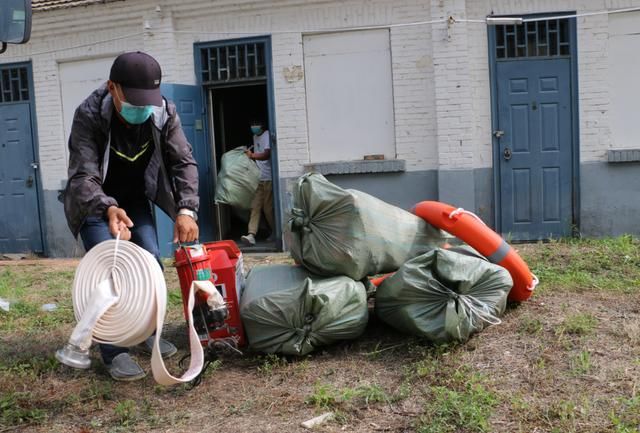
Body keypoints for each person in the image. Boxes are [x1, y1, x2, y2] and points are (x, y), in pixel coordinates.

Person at [63, 51, 200, 381]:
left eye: (148, 100)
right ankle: (113, 350)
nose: (143, 108)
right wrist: (108, 207)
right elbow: (83, 176)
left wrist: (186, 210)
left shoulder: (163, 112)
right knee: (111, 272)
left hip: (135, 199)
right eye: (135, 100)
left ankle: (144, 331)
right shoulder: (90, 115)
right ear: (113, 88)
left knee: (150, 261)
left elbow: (183, 162)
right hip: (95, 203)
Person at [241, 121, 274, 246]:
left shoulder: (267, 135)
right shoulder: (255, 137)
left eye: (256, 123)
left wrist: (252, 155)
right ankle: (251, 234)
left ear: (262, 124)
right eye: (252, 123)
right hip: (258, 178)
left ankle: (275, 232)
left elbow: (266, 154)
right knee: (255, 207)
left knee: (268, 209)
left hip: (269, 178)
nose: (253, 126)